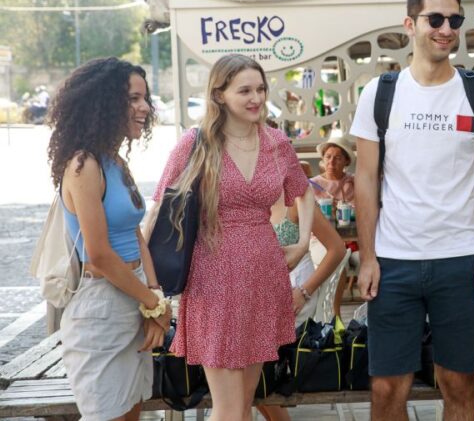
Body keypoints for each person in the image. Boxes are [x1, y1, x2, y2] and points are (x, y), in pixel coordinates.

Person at [351, 0, 474, 421]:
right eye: (435, 19)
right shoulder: (380, 92)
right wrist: (368, 257)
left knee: (459, 383)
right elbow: (365, 179)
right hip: (393, 260)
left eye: (454, 20)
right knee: (386, 388)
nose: (446, 29)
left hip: (460, 258)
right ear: (410, 24)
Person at [151, 54, 315, 421]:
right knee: (228, 410)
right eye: (244, 91)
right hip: (214, 278)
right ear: (219, 94)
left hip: (264, 276)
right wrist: (149, 287)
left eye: (260, 89)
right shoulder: (195, 143)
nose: (256, 98)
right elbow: (159, 209)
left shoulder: (276, 142)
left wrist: (303, 242)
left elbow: (304, 191)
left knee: (242, 407)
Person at [48, 57, 171, 420]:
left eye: (145, 98)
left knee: (132, 413)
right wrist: (153, 305)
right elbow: (99, 255)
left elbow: (136, 233)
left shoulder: (115, 161)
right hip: (101, 306)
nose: (144, 107)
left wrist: (154, 296)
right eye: (133, 99)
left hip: (134, 296)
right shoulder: (83, 165)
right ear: (103, 103)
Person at [258, 183, 346, 421]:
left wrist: (304, 291)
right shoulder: (250, 194)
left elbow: (337, 249)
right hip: (263, 297)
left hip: (295, 295)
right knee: (245, 375)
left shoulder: (296, 198)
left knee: (250, 371)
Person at [311, 136, 359, 315]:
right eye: (328, 157)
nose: (331, 162)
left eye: (337, 158)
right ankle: (335, 315)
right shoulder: (313, 185)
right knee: (338, 259)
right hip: (321, 241)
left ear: (346, 161)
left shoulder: (354, 182)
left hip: (353, 240)